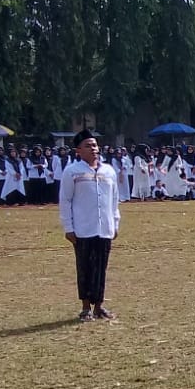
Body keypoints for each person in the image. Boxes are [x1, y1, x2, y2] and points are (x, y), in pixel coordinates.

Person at [59, 129, 120, 322]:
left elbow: (114, 199)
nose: (93, 148)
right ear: (78, 151)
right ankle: (86, 307)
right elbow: (65, 200)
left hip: (104, 227)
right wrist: (68, 227)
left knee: (101, 267)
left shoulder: (108, 171)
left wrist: (115, 222)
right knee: (85, 267)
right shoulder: (72, 172)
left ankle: (99, 306)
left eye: (94, 145)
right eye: (88, 145)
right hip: (83, 227)